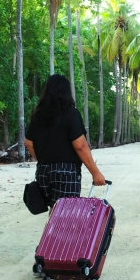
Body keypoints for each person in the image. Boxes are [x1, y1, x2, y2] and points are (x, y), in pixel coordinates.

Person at [25, 74, 106, 208]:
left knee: (55, 210)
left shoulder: (38, 115)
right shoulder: (71, 114)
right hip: (66, 172)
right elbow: (80, 146)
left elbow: (28, 143)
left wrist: (45, 160)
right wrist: (95, 172)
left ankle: (52, 230)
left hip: (43, 172)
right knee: (65, 213)